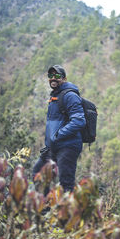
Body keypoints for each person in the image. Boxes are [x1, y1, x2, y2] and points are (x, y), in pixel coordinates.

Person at [33, 65, 86, 193]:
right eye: (50, 76)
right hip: (54, 147)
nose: (53, 79)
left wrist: (57, 135)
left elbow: (79, 121)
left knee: (66, 184)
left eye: (57, 76)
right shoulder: (55, 96)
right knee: (38, 174)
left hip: (68, 146)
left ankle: (69, 212)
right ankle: (44, 210)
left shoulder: (69, 96)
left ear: (64, 78)